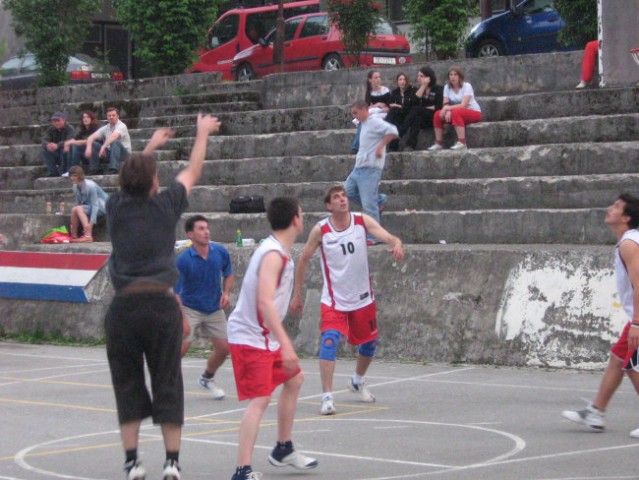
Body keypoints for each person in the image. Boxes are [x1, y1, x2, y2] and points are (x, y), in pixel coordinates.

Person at [104, 113, 221, 480]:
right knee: (167, 380)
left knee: (127, 383)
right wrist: (201, 132)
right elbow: (193, 169)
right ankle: (171, 462)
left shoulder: (115, 208)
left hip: (124, 307)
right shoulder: (166, 205)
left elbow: (132, 175)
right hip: (159, 305)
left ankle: (132, 461)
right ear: (155, 183)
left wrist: (150, 148)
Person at [290, 185, 404, 415]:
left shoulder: (361, 221)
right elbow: (303, 259)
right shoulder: (321, 230)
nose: (342, 200)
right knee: (330, 341)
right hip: (334, 300)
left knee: (369, 344)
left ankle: (357, 381)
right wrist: (297, 293)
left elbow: (386, 236)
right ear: (328, 206)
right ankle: (327, 398)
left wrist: (396, 243)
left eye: (343, 196)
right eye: (336, 198)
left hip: (362, 297)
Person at [227, 197, 318, 480]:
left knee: (295, 378)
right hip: (251, 336)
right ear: (295, 220)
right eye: (302, 214)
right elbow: (265, 302)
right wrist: (287, 344)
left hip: (263, 335)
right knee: (260, 399)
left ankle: (283, 448)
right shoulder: (272, 255)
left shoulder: (277, 250)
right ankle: (242, 470)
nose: (303, 218)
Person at [562, 193, 639, 437]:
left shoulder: (629, 244)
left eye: (616, 207)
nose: (609, 208)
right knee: (619, 359)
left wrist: (637, 322)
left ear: (626, 217)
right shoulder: (629, 241)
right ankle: (596, 411)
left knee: (632, 365)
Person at [177, 214, 234, 400]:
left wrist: (226, 293)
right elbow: (175, 294)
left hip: (213, 308)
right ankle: (166, 383)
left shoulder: (220, 252)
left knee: (225, 348)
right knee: (181, 349)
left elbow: (228, 273)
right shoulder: (183, 259)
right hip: (189, 308)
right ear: (190, 234)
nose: (206, 232)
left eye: (207, 228)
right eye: (201, 229)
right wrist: (183, 319)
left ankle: (207, 378)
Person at [345, 99, 398, 245]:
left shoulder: (375, 122)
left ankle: (374, 236)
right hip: (358, 167)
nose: (354, 116)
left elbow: (393, 131)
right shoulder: (363, 125)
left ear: (364, 110)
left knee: (369, 204)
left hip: (371, 168)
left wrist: (381, 146)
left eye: (356, 113)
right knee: (347, 191)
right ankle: (379, 200)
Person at [428, 66, 482, 151]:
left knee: (456, 112)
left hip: (473, 112)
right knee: (437, 114)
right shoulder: (447, 87)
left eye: (455, 74)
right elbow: (445, 103)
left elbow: (463, 105)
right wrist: (447, 110)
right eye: (451, 75)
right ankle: (438, 143)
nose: (453, 77)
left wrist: (448, 109)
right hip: (455, 112)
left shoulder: (467, 86)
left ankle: (462, 142)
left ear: (460, 76)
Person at [402, 66, 444, 151]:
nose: (418, 78)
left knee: (417, 110)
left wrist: (423, 108)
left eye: (421, 76)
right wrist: (423, 86)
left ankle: (401, 131)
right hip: (424, 119)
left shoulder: (438, 89)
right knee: (417, 118)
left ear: (429, 77)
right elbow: (413, 102)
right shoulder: (420, 90)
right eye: (418, 76)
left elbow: (439, 106)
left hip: (435, 117)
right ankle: (410, 146)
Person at [351, 70, 390, 153]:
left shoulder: (385, 91)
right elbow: (367, 107)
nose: (378, 79)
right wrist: (376, 105)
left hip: (383, 114)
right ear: (370, 80)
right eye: (376, 77)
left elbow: (389, 107)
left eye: (379, 77)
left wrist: (381, 109)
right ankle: (356, 147)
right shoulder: (369, 92)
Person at [67, 165, 109, 243]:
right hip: (88, 206)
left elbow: (95, 205)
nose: (72, 178)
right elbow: (79, 204)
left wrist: (91, 224)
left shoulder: (90, 186)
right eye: (71, 176)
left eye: (75, 176)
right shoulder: (75, 187)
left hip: (102, 206)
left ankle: (88, 235)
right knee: (74, 209)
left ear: (80, 176)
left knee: (78, 208)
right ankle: (74, 235)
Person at [85, 107, 132, 175]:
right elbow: (90, 137)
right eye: (109, 115)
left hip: (124, 155)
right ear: (107, 117)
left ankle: (113, 168)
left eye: (113, 115)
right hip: (112, 153)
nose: (111, 117)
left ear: (118, 116)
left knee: (115, 142)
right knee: (94, 144)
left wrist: (103, 146)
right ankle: (94, 169)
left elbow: (114, 136)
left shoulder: (122, 126)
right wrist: (88, 148)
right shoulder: (106, 128)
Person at [385, 72, 416, 152]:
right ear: (397, 81)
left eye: (404, 79)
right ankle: (392, 146)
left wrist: (399, 106)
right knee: (393, 113)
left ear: (407, 81)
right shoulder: (395, 92)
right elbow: (390, 104)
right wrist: (397, 106)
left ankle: (393, 140)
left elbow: (412, 105)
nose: (402, 81)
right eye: (400, 79)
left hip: (409, 115)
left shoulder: (413, 90)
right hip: (398, 115)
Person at [41, 111, 74, 177]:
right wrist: (48, 145)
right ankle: (53, 172)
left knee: (66, 148)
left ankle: (66, 170)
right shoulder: (50, 129)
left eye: (58, 120)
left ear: (63, 120)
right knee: (45, 151)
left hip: (66, 152)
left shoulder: (69, 129)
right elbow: (44, 140)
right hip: (55, 152)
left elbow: (70, 140)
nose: (56, 123)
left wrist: (57, 145)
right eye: (54, 121)